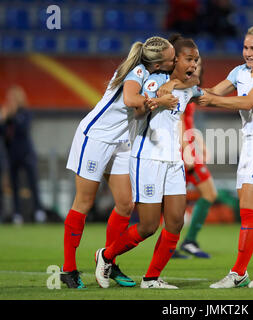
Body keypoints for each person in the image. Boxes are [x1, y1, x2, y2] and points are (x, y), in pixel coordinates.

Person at [62, 36, 186, 289]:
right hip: (96, 138)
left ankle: (109, 260)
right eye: (172, 57)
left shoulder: (157, 74)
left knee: (125, 204)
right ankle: (69, 269)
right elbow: (130, 100)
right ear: (159, 62)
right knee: (84, 202)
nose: (175, 60)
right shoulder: (137, 70)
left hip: (122, 142)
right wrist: (160, 101)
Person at [94, 35, 202, 289]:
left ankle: (152, 278)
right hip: (148, 157)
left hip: (173, 160)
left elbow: (198, 83)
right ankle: (106, 255)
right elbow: (138, 109)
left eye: (196, 60)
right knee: (148, 225)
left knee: (175, 222)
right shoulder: (153, 80)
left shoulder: (183, 84)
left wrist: (178, 82)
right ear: (173, 60)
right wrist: (157, 99)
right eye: (190, 59)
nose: (195, 65)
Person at [198, 22, 253, 289]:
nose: (248, 53)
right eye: (246, 47)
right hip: (249, 147)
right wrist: (186, 91)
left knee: (249, 211)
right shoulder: (239, 72)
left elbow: (249, 102)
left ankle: (237, 273)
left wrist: (211, 101)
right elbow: (213, 91)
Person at [173, 57, 218, 259]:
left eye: (199, 65)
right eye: (193, 65)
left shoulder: (189, 89)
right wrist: (186, 150)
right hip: (182, 150)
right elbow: (179, 120)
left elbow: (187, 122)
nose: (196, 69)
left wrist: (199, 142)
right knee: (205, 194)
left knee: (179, 200)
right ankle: (184, 242)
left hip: (186, 146)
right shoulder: (181, 88)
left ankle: (179, 243)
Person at [1, 85, 47, 225]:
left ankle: (38, 211)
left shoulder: (25, 113)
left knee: (32, 184)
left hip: (26, 154)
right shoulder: (6, 116)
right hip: (12, 155)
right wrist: (4, 120)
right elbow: (3, 134)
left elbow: (23, 129)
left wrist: (13, 116)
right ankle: (17, 213)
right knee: (14, 185)